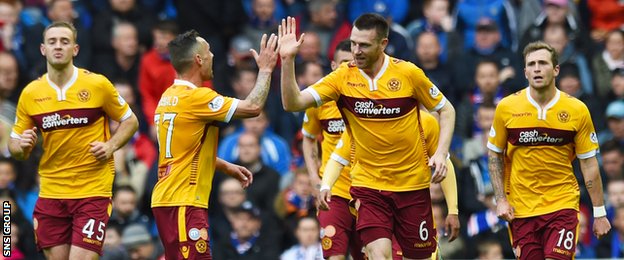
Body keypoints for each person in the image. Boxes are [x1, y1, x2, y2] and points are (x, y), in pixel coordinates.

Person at [279, 14, 456, 259]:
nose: (356, 51)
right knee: (377, 254)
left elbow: (446, 110)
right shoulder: (342, 77)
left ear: (383, 44)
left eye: (364, 45)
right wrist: (287, 61)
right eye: (352, 43)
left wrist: (440, 153)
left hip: (411, 186)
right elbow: (293, 103)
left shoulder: (408, 74)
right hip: (368, 186)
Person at [8, 21, 140, 259]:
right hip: (51, 192)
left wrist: (110, 146)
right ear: (42, 49)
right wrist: (21, 147)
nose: (58, 46)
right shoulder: (30, 93)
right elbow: (15, 144)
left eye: (64, 41)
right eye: (52, 42)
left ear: (75, 49)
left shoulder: (97, 84)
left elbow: (130, 121)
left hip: (92, 191)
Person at [150, 29, 279, 259]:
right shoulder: (197, 97)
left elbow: (184, 151)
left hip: (168, 200)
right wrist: (267, 69)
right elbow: (252, 107)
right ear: (198, 59)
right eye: (208, 52)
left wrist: (224, 166)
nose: (212, 56)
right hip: (184, 202)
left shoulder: (168, 97)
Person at [487, 41, 611, 260]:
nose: (537, 68)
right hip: (521, 208)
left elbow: (589, 163)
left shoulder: (577, 110)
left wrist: (599, 212)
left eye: (543, 63)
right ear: (524, 71)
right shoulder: (506, 108)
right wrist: (501, 200)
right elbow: (495, 154)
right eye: (531, 64)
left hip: (562, 204)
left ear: (556, 70)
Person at [301, 39, 363, 260]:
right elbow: (308, 139)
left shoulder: (369, 98)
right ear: (334, 66)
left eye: (354, 62)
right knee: (333, 255)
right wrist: (315, 179)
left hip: (367, 190)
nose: (350, 67)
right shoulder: (319, 99)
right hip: (334, 192)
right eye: (345, 62)